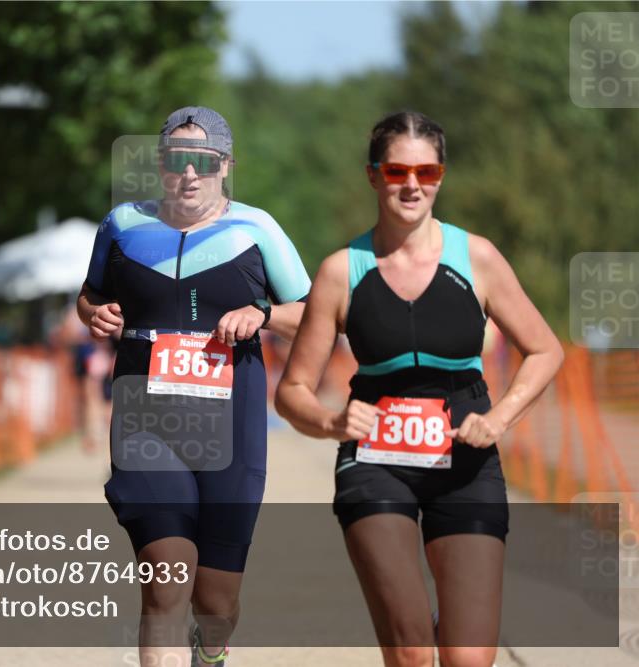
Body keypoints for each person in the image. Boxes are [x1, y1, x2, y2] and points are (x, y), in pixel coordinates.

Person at [275, 110, 564, 667]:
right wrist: (333, 422)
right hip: (374, 462)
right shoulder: (342, 271)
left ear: (441, 177)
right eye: (397, 171)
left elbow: (546, 350)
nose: (412, 184)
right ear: (373, 175)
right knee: (410, 652)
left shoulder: (476, 258)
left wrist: (499, 418)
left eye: (426, 172)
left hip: (466, 460)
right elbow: (291, 391)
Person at [77, 106, 310, 666]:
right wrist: (93, 313)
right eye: (176, 160)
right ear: (161, 165)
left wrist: (262, 314)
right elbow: (88, 295)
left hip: (230, 428)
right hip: (145, 422)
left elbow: (311, 314)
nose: (189, 174)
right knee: (165, 581)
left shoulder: (258, 228)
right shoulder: (122, 225)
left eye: (202, 163)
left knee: (216, 601)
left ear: (225, 166)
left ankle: (211, 650)